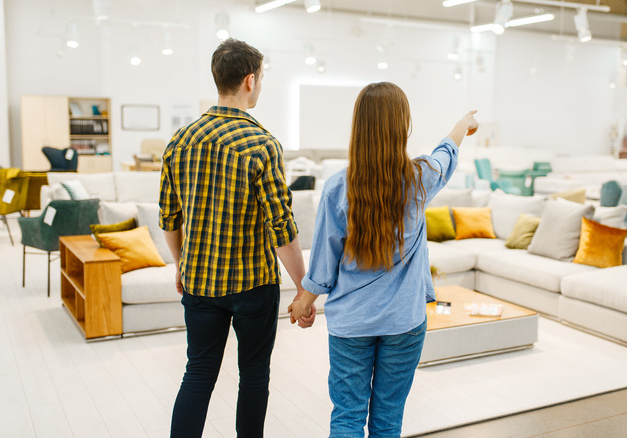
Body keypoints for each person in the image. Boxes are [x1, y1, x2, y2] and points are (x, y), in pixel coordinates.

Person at [290, 81, 478, 437]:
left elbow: (324, 263)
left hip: (351, 324)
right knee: (388, 420)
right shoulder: (421, 179)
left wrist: (304, 303)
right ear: (402, 126)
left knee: (347, 416)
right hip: (403, 322)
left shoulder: (337, 186)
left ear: (358, 126)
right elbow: (447, 152)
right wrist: (463, 125)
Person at [160, 38, 316, 438]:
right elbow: (282, 229)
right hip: (253, 285)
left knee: (198, 373)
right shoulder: (262, 145)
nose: (260, 85)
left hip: (199, 282)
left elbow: (169, 218)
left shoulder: (180, 140)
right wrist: (303, 288)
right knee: (253, 378)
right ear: (250, 80)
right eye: (261, 78)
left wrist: (181, 263)